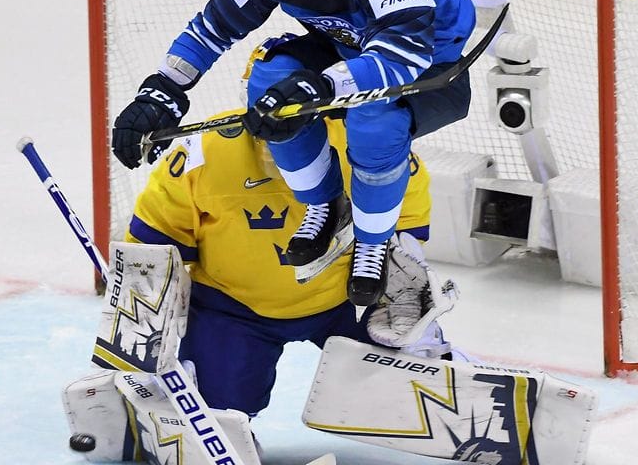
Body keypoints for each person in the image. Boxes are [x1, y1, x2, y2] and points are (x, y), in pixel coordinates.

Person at [111, 0, 476, 308]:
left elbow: (405, 51)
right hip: (346, 46)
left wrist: (323, 86)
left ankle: (373, 242)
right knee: (270, 86)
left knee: (374, 118)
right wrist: (161, 90)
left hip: (432, 64)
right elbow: (212, 27)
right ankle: (324, 206)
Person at [125, 61, 459, 417]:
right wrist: (141, 335)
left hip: (347, 302)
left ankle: (440, 381)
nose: (282, 134)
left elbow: (403, 229)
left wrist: (407, 290)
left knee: (407, 381)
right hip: (233, 311)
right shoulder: (202, 155)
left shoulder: (367, 147)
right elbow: (152, 251)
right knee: (218, 413)